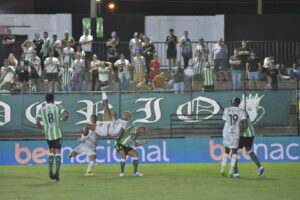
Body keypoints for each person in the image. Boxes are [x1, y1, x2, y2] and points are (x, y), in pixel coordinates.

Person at [36, 93, 69, 181]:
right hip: (57, 133)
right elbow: (66, 114)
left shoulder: (42, 109)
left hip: (48, 134)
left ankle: (50, 171)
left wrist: (41, 127)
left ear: (46, 100)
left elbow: (37, 122)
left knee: (51, 151)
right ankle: (57, 173)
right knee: (58, 152)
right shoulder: (57, 107)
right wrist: (66, 118)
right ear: (53, 99)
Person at [220, 98, 247, 177]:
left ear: (234, 102)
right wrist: (242, 129)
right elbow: (245, 124)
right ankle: (231, 171)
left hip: (226, 131)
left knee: (226, 150)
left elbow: (224, 120)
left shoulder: (226, 109)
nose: (231, 102)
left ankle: (222, 168)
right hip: (235, 132)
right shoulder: (242, 111)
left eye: (232, 101)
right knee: (234, 152)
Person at [233, 112, 264, 178]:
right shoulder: (243, 112)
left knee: (234, 151)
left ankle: (236, 172)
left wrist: (239, 129)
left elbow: (243, 126)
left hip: (243, 135)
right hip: (251, 134)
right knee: (249, 150)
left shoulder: (236, 114)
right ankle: (260, 167)